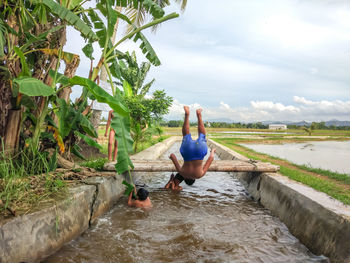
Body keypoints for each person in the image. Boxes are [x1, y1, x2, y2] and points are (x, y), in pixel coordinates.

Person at [166, 106, 216, 189]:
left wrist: (213, 151)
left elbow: (210, 158)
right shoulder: (181, 172)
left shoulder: (200, 175)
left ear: (194, 179)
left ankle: (199, 114)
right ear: (185, 178)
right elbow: (172, 155)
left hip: (200, 151)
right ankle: (187, 115)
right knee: (185, 135)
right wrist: (171, 157)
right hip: (187, 152)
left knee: (202, 135)